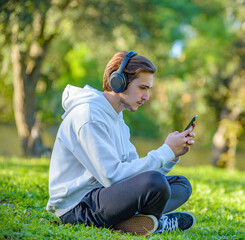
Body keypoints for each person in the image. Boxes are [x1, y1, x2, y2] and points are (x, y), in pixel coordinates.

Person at [46, 51, 196, 236]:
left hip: (104, 197)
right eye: (143, 88)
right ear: (119, 81)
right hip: (77, 208)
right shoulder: (88, 116)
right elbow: (112, 176)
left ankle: (134, 221)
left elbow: (134, 175)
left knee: (181, 185)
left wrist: (170, 156)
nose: (147, 97)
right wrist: (164, 151)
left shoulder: (118, 119)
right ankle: (156, 222)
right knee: (155, 183)